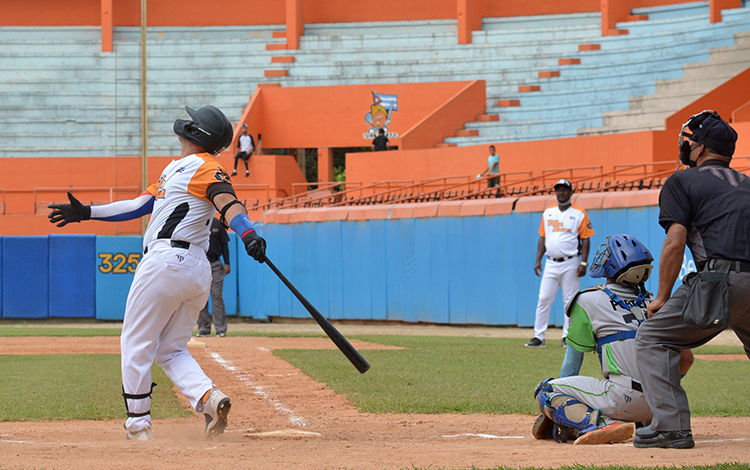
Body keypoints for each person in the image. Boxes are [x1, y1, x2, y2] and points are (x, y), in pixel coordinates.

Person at [47, 105, 267, 441]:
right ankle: (208, 399)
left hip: (165, 261)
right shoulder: (176, 169)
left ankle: (138, 426)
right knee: (171, 348)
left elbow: (228, 201)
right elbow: (138, 205)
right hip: (195, 270)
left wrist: (247, 232)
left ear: (198, 133)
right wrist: (87, 212)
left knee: (136, 342)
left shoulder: (207, 167)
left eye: (194, 120)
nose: (188, 122)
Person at [634, 110, 748, 449]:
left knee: (653, 338)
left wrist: (661, 297)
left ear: (699, 149)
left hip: (718, 281)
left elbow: (675, 242)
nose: (686, 146)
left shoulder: (681, 181)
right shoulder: (747, 184)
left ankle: (671, 429)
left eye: (689, 140)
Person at [533, 234, 694, 445]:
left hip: (623, 399)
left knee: (546, 389)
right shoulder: (657, 302)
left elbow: (573, 363)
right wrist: (658, 392)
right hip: (662, 405)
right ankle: (642, 422)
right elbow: (687, 359)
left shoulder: (587, 299)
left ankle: (601, 425)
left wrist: (560, 411)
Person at [526, 179, 594, 348]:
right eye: (558, 190)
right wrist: (537, 260)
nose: (561, 193)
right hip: (550, 262)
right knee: (543, 299)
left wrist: (584, 263)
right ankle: (539, 336)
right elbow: (542, 237)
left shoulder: (579, 213)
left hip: (571, 262)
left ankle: (567, 336)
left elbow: (586, 240)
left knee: (569, 301)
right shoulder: (548, 212)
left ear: (571, 193)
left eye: (565, 190)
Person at [197, 217, 231, 338]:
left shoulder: (217, 223)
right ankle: (204, 329)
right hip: (199, 263)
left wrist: (227, 263)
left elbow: (224, 245)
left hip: (215, 263)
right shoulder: (196, 221)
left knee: (217, 295)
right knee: (200, 296)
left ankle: (221, 329)